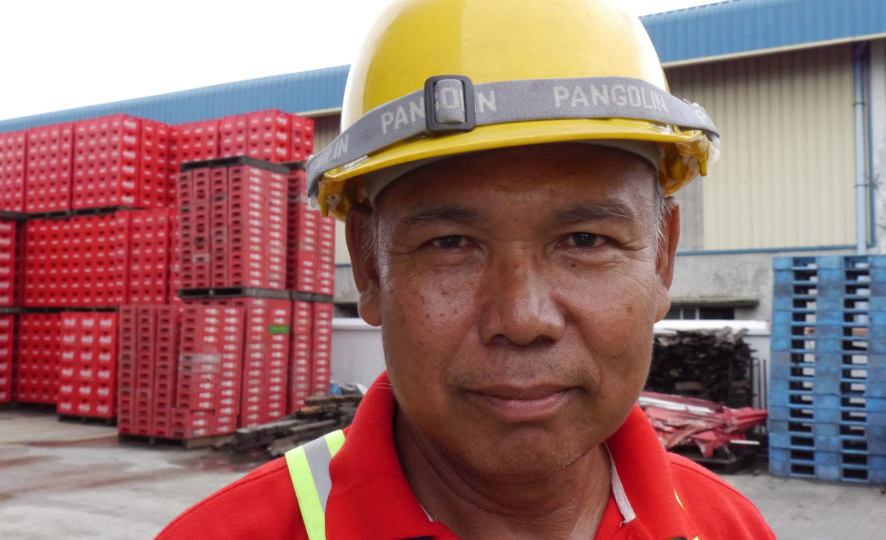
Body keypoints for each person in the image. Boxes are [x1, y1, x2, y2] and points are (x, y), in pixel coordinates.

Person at [159, 0, 776, 538]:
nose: (523, 318)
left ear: (662, 258)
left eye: (586, 240)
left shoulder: (730, 529)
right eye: (451, 243)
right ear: (370, 268)